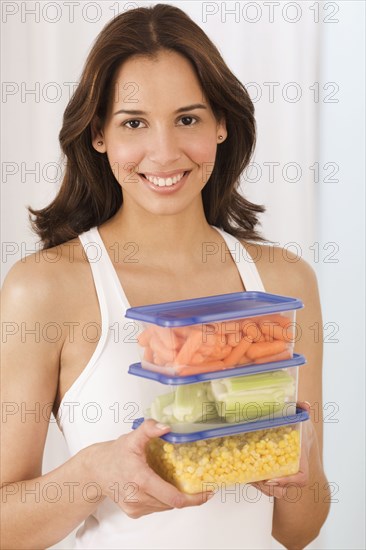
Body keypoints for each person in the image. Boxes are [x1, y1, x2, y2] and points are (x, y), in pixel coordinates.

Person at [1, 4, 330, 549]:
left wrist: (301, 466)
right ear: (99, 135)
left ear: (221, 124)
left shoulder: (286, 283)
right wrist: (92, 472)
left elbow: (299, 531)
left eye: (188, 118)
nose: (165, 152)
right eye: (134, 123)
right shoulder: (44, 288)